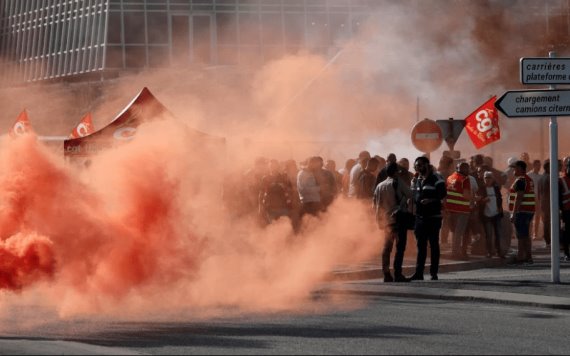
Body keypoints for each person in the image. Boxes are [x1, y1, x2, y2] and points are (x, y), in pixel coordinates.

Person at [409, 156, 447, 281]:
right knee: (421, 246)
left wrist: (431, 200)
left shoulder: (436, 178)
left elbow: (443, 195)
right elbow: (414, 196)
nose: (418, 168)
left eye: (420, 165)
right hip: (420, 218)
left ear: (426, 165)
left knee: (434, 245)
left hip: (433, 217)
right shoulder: (417, 179)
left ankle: (433, 273)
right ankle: (418, 273)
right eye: (416, 166)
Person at [374, 162, 412, 283]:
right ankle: (397, 274)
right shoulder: (398, 182)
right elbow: (411, 194)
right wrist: (404, 200)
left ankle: (386, 274)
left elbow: (376, 205)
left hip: (386, 221)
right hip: (398, 219)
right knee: (400, 248)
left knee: (387, 248)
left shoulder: (380, 186)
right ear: (395, 172)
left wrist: (378, 221)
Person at [509, 160, 536, 264]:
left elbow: (519, 198)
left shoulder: (520, 180)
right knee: (525, 234)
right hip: (528, 210)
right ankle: (528, 257)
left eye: (514, 168)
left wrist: (513, 213)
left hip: (522, 211)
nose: (513, 170)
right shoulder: (529, 179)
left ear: (520, 168)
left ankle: (521, 257)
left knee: (521, 235)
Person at [445, 162, 473, 260]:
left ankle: (454, 252)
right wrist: (475, 198)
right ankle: (456, 254)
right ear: (464, 169)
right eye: (467, 168)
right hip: (462, 209)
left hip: (451, 209)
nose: (468, 170)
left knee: (454, 233)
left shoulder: (450, 178)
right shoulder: (465, 179)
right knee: (459, 233)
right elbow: (466, 195)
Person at [479, 171, 505, 258]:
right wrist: (483, 201)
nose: (488, 180)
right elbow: (478, 201)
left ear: (492, 179)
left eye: (489, 178)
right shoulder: (481, 189)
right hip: (486, 215)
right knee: (489, 235)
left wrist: (500, 207)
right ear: (484, 179)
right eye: (486, 178)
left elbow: (500, 198)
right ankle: (489, 252)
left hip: (496, 214)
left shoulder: (496, 188)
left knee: (498, 234)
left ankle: (499, 252)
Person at [259, 159, 293, 224]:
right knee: (274, 228)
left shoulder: (284, 177)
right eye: (271, 166)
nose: (273, 168)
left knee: (285, 228)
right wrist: (260, 207)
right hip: (270, 208)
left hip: (284, 207)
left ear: (278, 166)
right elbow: (261, 193)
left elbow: (290, 190)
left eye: (275, 166)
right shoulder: (265, 179)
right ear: (269, 167)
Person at [527, 159, 542, 241]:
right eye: (537, 165)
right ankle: (529, 233)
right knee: (530, 216)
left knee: (537, 217)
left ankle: (535, 234)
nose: (539, 167)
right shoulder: (528, 175)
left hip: (539, 199)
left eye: (540, 165)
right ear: (534, 166)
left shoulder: (541, 176)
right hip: (530, 198)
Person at [559, 163, 570, 261]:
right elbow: (558, 198)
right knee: (566, 233)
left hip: (566, 210)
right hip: (566, 211)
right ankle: (567, 253)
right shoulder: (561, 180)